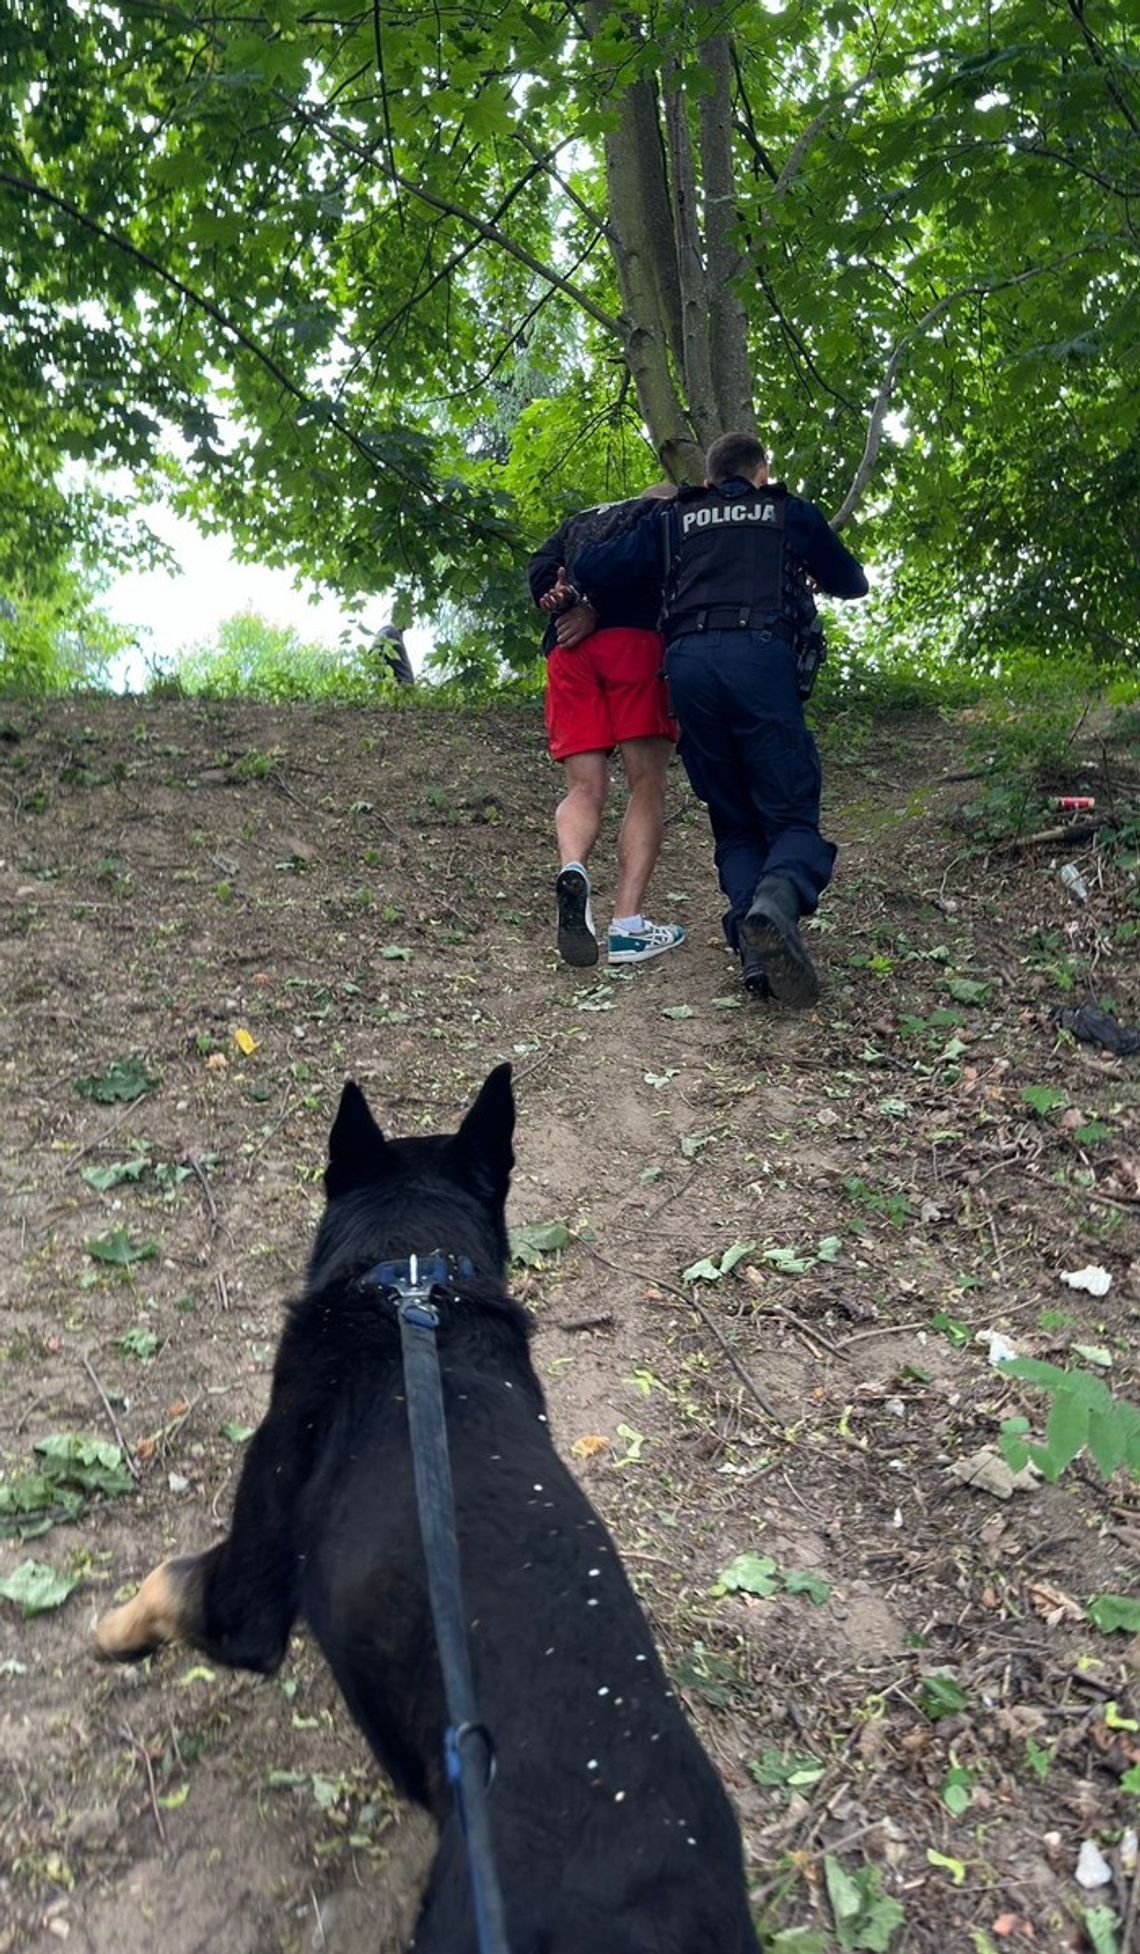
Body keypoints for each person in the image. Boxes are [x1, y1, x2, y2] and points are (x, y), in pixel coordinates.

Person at [574, 431, 868, 1005]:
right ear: (762, 473)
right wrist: (799, 560)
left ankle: (757, 952)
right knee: (790, 815)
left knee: (734, 820)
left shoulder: (675, 519)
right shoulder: (787, 512)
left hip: (687, 670)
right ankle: (775, 901)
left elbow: (595, 565)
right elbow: (851, 582)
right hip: (760, 660)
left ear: (709, 479)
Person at [527, 486, 686, 969]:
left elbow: (540, 571)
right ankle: (628, 927)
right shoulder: (664, 514)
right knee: (646, 783)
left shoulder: (582, 521)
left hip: (568, 652)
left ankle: (572, 867)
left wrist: (561, 598)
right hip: (634, 646)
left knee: (584, 786)